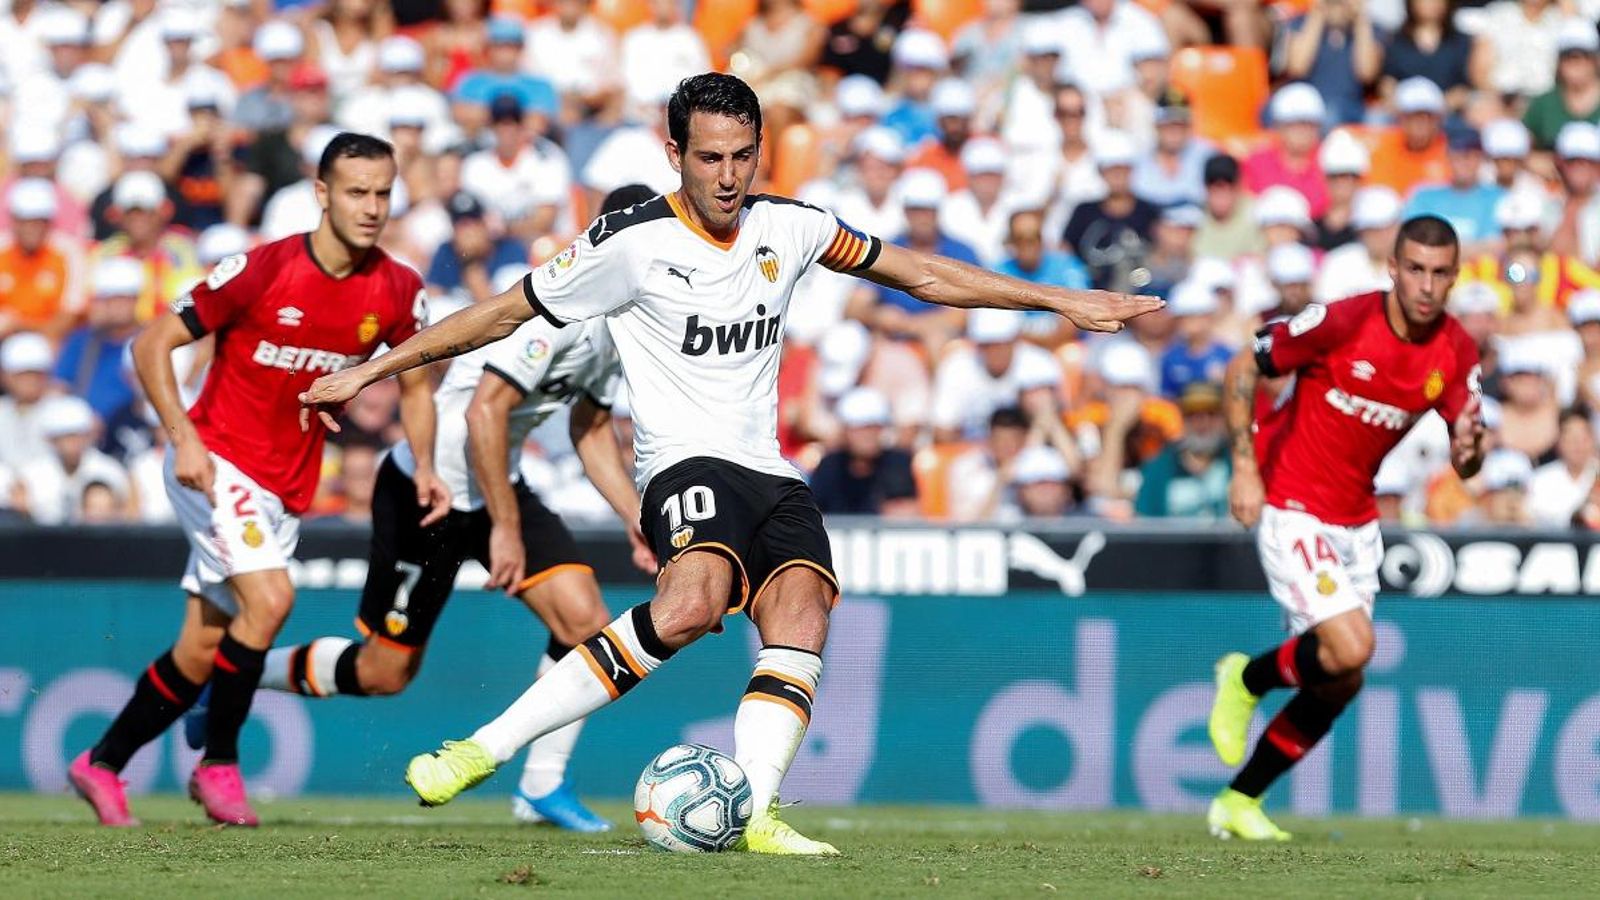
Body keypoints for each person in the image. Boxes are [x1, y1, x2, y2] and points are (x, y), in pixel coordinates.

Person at [300, 73, 1159, 854]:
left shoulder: (793, 225)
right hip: (683, 463)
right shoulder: (629, 243)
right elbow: (499, 314)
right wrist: (372, 371)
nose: (727, 175)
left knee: (804, 609)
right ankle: (483, 749)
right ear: (674, 154)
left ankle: (759, 812)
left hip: (769, 470)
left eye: (742, 156)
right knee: (691, 604)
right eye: (708, 157)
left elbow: (923, 276)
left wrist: (1059, 300)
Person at [186, 185, 659, 832]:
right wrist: (506, 530)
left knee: (585, 620)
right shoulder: (560, 307)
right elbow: (484, 412)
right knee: (384, 672)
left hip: (495, 484)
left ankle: (542, 786)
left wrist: (634, 516)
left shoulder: (621, 323)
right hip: (426, 490)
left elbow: (590, 426)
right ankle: (232, 679)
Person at [68, 133, 447, 829]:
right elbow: (151, 343)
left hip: (284, 486)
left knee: (202, 647)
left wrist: (423, 464)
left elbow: (417, 386)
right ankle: (219, 764)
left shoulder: (398, 288)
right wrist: (183, 437)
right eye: (356, 192)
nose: (371, 207)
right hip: (215, 461)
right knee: (271, 600)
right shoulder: (263, 269)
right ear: (322, 194)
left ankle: (102, 762)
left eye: (383, 193)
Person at [1207, 215, 1485, 840]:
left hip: (1357, 519)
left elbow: (1467, 458)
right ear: (1393, 268)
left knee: (1342, 678)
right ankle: (1245, 679)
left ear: (1455, 277)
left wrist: (1470, 449)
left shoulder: (1456, 351)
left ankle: (1238, 801)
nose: (1426, 285)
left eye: (1440, 273)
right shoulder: (1344, 321)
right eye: (1415, 269)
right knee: (1354, 646)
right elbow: (1243, 367)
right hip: (1291, 501)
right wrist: (1244, 468)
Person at [808, 386, 919, 516]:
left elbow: (905, 513)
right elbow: (813, 513)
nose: (867, 436)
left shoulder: (897, 463)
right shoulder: (830, 466)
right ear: (846, 430)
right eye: (860, 428)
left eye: (874, 427)